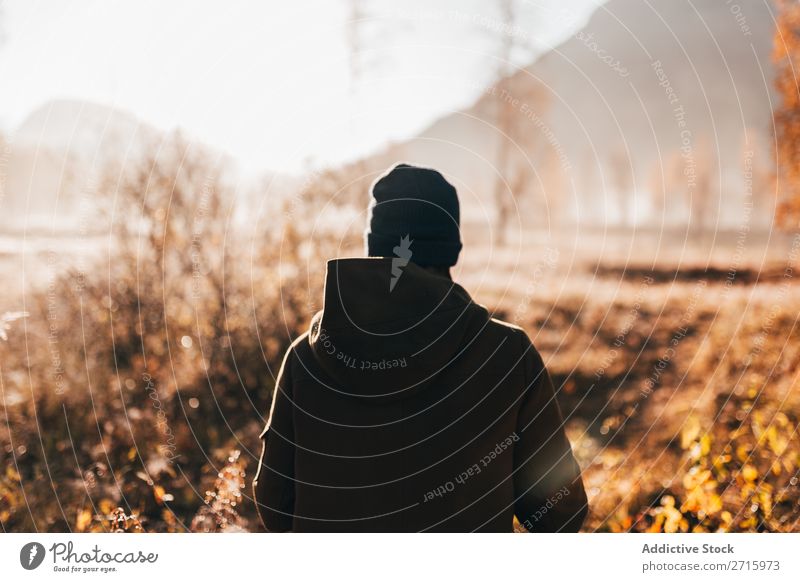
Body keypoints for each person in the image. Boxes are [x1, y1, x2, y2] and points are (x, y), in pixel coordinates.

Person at [253, 163, 587, 532]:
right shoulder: (506, 354)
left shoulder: (307, 357)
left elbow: (276, 504)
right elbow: (560, 513)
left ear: (374, 247)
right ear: (451, 249)